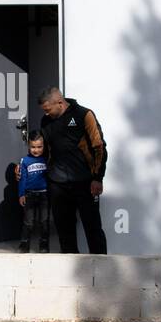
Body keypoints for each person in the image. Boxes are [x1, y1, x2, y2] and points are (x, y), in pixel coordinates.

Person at [37, 87, 108, 254]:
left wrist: (98, 177)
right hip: (57, 183)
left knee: (93, 228)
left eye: (48, 110)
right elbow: (44, 150)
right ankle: (71, 274)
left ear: (60, 103)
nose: (46, 114)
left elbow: (99, 147)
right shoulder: (45, 121)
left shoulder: (84, 114)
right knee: (64, 231)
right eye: (44, 111)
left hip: (85, 182)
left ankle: (102, 272)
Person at [17, 130, 50, 253]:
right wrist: (21, 194)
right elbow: (22, 179)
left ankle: (44, 245)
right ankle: (24, 244)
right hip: (29, 195)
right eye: (33, 147)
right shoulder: (24, 161)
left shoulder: (47, 159)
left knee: (44, 221)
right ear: (28, 146)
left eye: (39, 147)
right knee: (28, 222)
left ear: (44, 146)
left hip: (44, 195)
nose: (36, 150)